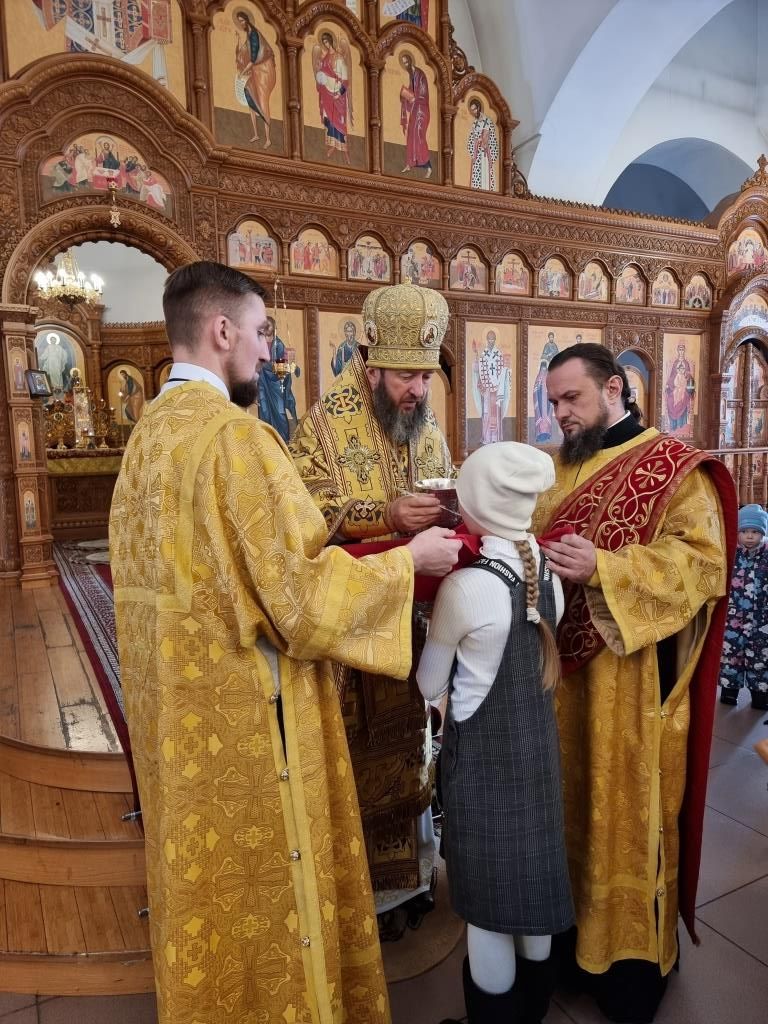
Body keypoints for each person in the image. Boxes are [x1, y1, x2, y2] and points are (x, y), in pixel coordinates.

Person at [108, 261, 462, 1024]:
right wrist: (407, 562)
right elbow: (299, 600)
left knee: (214, 892)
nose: (271, 352)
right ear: (223, 330)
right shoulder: (237, 438)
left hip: (182, 718)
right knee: (277, 896)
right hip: (250, 717)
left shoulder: (149, 436)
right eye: (263, 332)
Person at [532, 343, 736, 1024]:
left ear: (615, 388)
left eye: (572, 398)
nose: (560, 413)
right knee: (570, 813)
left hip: (632, 690)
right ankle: (571, 954)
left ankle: (628, 973)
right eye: (553, 402)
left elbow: (702, 565)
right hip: (563, 687)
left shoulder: (672, 468)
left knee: (626, 818)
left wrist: (605, 568)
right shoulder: (558, 468)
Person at [290, 283, 453, 927]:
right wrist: (383, 515)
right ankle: (361, 899)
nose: (419, 389)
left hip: (411, 626)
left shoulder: (425, 425)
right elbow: (303, 518)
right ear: (373, 363)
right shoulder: (324, 425)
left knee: (414, 747)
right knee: (357, 760)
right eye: (407, 376)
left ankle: (411, 882)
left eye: (426, 376)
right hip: (352, 636)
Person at [418, 442, 574, 1024]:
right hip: (538, 761)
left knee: (486, 910)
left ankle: (495, 1016)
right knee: (531, 885)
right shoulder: (549, 578)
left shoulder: (465, 588)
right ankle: (533, 1009)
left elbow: (429, 683)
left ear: (476, 505)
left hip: (483, 772)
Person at [719, 504, 768, 710]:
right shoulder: (731, 555)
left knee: (761, 658)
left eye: (755, 532)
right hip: (733, 619)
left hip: (761, 621)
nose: (749, 536)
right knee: (731, 657)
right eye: (744, 531)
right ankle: (729, 692)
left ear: (762, 533)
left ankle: (760, 695)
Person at [234, 8, 276, 147]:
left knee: (263, 102)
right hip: (254, 71)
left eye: (242, 21)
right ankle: (256, 134)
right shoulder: (249, 34)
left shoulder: (253, 35)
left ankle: (268, 138)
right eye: (239, 21)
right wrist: (238, 41)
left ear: (247, 21)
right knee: (249, 94)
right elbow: (244, 53)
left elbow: (253, 59)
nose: (241, 24)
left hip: (262, 71)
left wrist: (242, 73)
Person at [257, 315, 299, 443]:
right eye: (265, 325)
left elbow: (283, 364)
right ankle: (266, 440)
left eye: (269, 325)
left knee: (280, 411)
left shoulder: (279, 344)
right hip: (262, 382)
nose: (267, 328)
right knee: (264, 410)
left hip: (276, 382)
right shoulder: (258, 343)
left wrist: (290, 365)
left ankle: (284, 440)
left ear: (274, 327)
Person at [312, 30, 352, 163]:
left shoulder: (339, 58)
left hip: (337, 94)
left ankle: (344, 148)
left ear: (331, 41)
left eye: (327, 42)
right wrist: (319, 70)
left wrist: (339, 93)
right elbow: (322, 72)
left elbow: (345, 81)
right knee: (329, 120)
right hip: (326, 93)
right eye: (324, 43)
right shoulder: (325, 58)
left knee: (339, 120)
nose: (326, 45)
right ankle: (332, 145)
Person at [472, 330, 510, 444]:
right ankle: (487, 437)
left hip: (497, 389)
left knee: (496, 413)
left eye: (493, 339)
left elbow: (501, 369)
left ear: (495, 340)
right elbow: (478, 369)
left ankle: (496, 438)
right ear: (487, 340)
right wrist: (476, 356)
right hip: (487, 389)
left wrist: (497, 382)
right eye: (489, 339)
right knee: (487, 412)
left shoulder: (498, 354)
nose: (491, 341)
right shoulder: (483, 354)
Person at [399, 51, 432, 177]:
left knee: (419, 136)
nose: (406, 65)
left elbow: (423, 94)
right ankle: (410, 163)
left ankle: (428, 166)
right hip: (415, 111)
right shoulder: (412, 76)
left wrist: (414, 98)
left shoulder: (420, 75)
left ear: (411, 61)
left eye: (406, 62)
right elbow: (411, 94)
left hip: (422, 112)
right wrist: (405, 97)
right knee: (411, 136)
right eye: (404, 63)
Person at [467, 97, 498, 191]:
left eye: (474, 109)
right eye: (472, 110)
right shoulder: (474, 124)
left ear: (479, 107)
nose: (473, 112)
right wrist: (477, 142)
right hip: (478, 156)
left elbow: (493, 140)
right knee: (477, 177)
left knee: (486, 175)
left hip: (486, 155)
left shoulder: (488, 122)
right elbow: (471, 140)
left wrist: (485, 142)